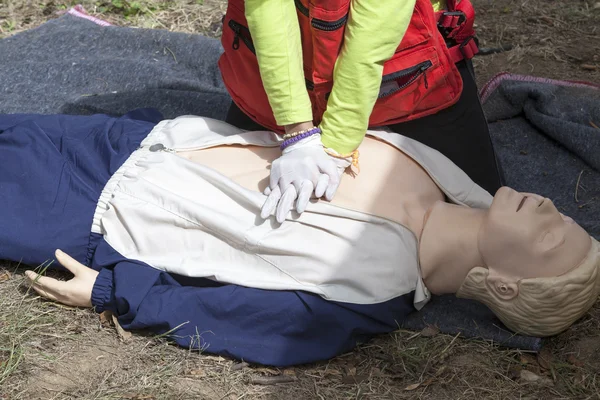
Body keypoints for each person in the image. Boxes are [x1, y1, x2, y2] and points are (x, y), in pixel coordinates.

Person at [1, 111, 597, 367]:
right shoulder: (449, 179)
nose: (549, 207)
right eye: (563, 221)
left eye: (548, 237)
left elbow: (253, 323)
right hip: (149, 140)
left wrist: (112, 290)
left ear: (507, 284)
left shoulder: (374, 286)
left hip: (104, 212)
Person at [218, 0, 503, 222]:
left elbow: (371, 39)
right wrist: (297, 131)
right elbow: (268, 10)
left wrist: (335, 145)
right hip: (281, 69)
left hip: (406, 72)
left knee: (489, 215)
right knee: (228, 203)